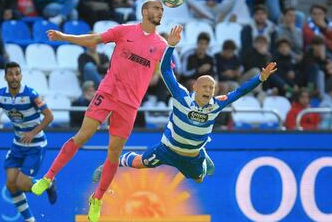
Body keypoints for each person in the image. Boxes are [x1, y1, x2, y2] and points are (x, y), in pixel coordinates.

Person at [31, 0, 181, 222]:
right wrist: (65, 37)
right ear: (144, 11)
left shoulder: (160, 45)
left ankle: (97, 198)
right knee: (82, 136)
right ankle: (49, 176)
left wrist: (171, 47)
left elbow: (168, 75)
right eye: (156, 8)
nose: (160, 12)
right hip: (108, 93)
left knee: (113, 153)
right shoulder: (124, 31)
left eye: (162, 9)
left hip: (130, 105)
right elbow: (94, 39)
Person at [92, 52, 277, 184]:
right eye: (204, 87)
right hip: (168, 150)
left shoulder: (216, 104)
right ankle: (108, 165)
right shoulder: (182, 97)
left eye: (211, 88)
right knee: (140, 163)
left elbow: (239, 92)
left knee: (199, 179)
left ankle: (202, 155)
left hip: (192, 157)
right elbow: (165, 71)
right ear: (195, 87)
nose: (208, 90)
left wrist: (260, 78)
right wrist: (171, 46)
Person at [0, 62, 57, 222]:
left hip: (35, 145)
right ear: (5, 77)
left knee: (21, 184)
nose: (14, 77)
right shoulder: (1, 96)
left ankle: (48, 184)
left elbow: (49, 116)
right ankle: (30, 220)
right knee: (10, 185)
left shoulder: (31, 94)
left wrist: (32, 133)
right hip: (18, 144)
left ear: (21, 75)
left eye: (17, 73)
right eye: (11, 74)